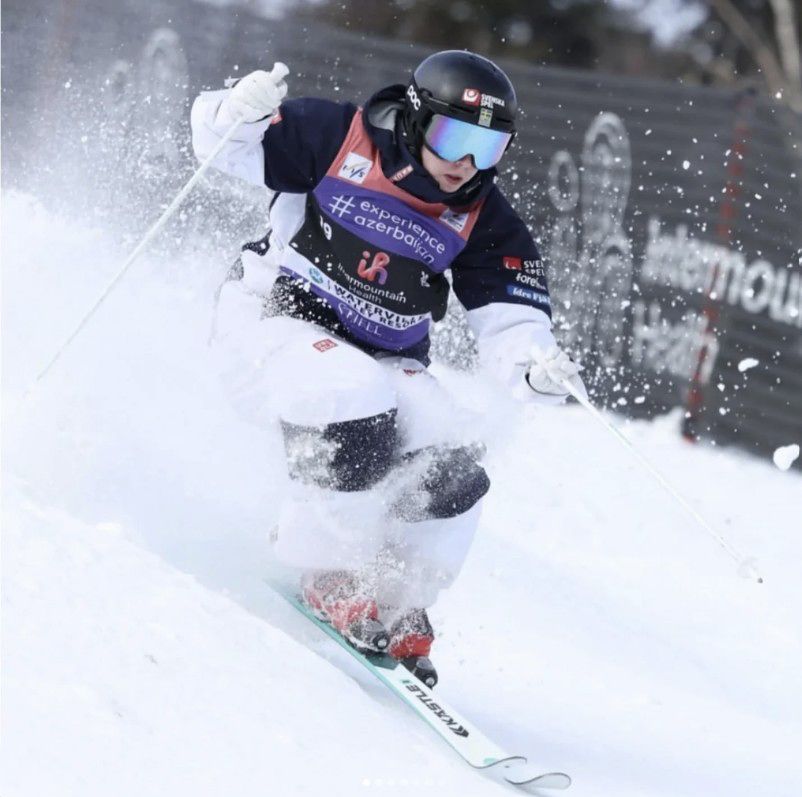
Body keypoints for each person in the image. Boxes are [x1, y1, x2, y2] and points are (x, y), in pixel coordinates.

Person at [191, 50, 585, 687]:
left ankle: (399, 597)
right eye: (454, 138)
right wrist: (234, 111)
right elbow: (219, 146)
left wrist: (532, 365)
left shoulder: (483, 214)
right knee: (353, 390)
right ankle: (325, 566)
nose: (466, 163)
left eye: (490, 148)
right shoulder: (335, 136)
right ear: (415, 118)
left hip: (381, 355)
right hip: (271, 326)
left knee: (449, 451)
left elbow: (512, 316)